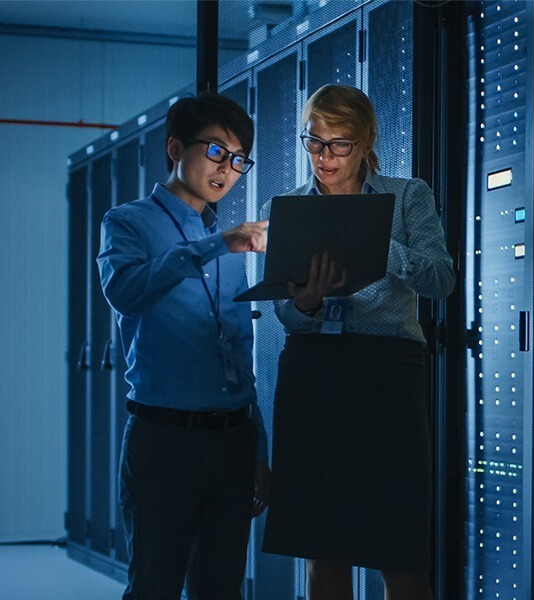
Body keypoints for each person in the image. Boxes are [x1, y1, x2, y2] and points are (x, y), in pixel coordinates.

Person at [261, 85, 455, 600]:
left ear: (367, 139)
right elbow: (284, 310)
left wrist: (374, 245)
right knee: (324, 548)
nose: (325, 157)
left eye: (339, 144)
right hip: (313, 374)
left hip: (387, 376)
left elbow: (440, 279)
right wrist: (305, 304)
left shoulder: (408, 194)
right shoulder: (287, 206)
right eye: (314, 142)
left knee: (400, 547)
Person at [96, 93, 271, 600]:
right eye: (216, 151)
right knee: (154, 586)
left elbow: (237, 354)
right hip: (165, 441)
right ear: (175, 147)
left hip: (232, 443)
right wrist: (216, 245)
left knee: (222, 590)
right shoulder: (127, 222)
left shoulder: (228, 239)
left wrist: (257, 448)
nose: (228, 169)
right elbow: (126, 293)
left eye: (239, 159)